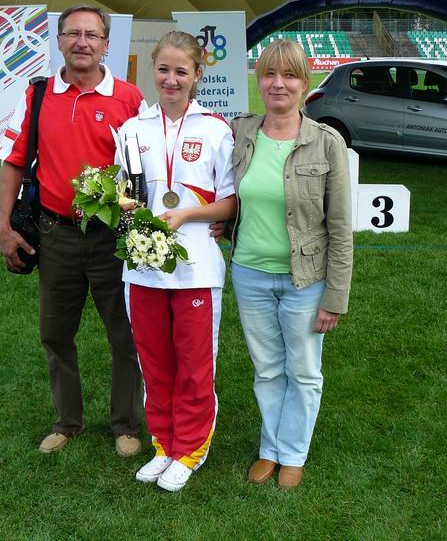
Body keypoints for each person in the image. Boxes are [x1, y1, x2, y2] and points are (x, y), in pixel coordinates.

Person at [0, 5, 145, 457]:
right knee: (56, 333)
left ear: (106, 45)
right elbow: (14, 163)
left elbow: (146, 169)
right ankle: (67, 421)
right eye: (73, 33)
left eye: (92, 35)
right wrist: (3, 226)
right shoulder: (38, 94)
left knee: (125, 335)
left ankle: (126, 425)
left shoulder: (129, 99)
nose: (82, 42)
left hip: (111, 237)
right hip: (55, 235)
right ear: (59, 40)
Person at [228, 39, 353, 489]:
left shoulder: (326, 142)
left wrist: (335, 296)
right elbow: (225, 194)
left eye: (289, 75)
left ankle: (294, 453)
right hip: (249, 274)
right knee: (267, 369)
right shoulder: (240, 132)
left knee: (303, 370)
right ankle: (271, 449)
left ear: (305, 82)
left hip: (306, 281)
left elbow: (341, 227)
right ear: (258, 80)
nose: (278, 84)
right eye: (269, 74)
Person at [117, 31, 236, 492]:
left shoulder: (215, 129)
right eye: (163, 69)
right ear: (153, 70)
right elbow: (123, 194)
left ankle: (190, 449)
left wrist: (186, 214)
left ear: (197, 75)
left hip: (197, 269)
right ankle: (163, 445)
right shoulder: (133, 129)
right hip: (142, 268)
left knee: (194, 366)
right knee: (154, 364)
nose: (171, 79)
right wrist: (121, 207)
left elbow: (230, 201)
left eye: (181, 71)